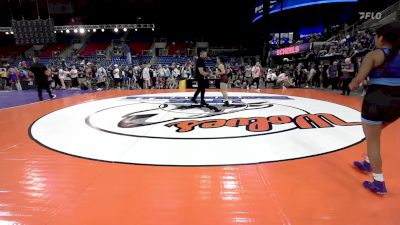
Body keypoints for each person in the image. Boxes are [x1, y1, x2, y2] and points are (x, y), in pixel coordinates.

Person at [349, 21, 400, 194]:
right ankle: (369, 162)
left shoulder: (374, 55)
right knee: (374, 134)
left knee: (373, 141)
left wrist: (352, 83)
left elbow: (357, 82)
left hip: (376, 101)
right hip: (396, 105)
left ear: (381, 38)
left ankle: (379, 182)